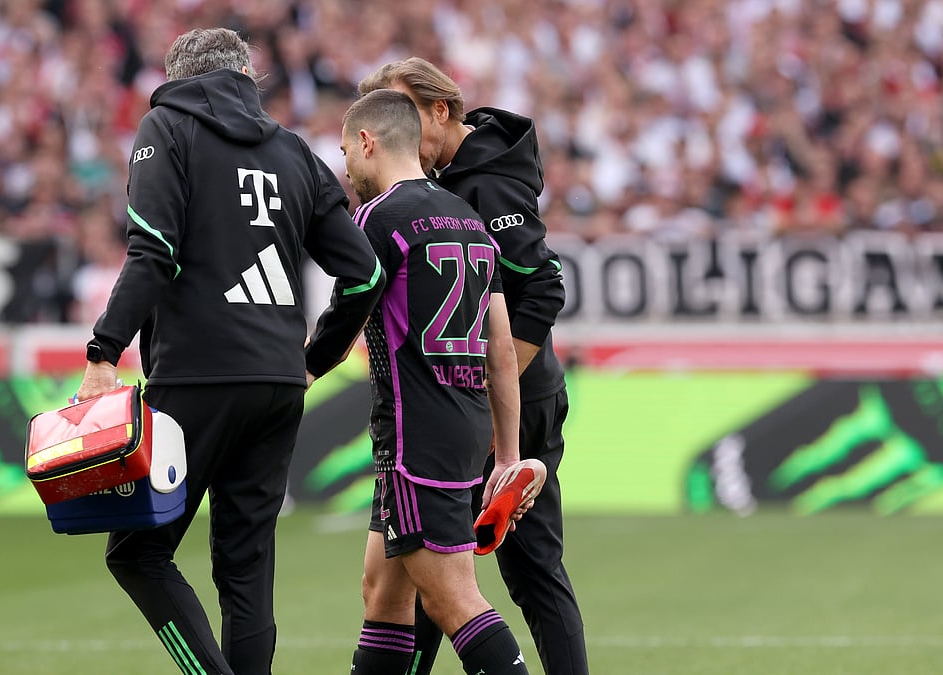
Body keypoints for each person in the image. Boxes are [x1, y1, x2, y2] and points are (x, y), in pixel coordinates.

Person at [74, 28, 384, 675]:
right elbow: (365, 275)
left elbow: (153, 251)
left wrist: (104, 350)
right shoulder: (295, 152)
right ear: (247, 75)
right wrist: (315, 358)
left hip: (197, 375)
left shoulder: (167, 128)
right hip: (278, 381)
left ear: (176, 77)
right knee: (246, 565)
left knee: (137, 552)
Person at [359, 58, 588, 674]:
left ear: (440, 109)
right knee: (428, 571)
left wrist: (491, 396)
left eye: (408, 113)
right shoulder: (443, 179)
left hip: (509, 399)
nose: (400, 131)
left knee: (525, 570)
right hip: (465, 401)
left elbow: (543, 289)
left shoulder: (488, 185)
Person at [307, 88, 530, 674]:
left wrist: (302, 369)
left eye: (345, 152)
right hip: (463, 425)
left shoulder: (374, 220)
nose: (346, 168)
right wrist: (507, 453)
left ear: (367, 142)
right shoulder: (470, 221)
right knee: (383, 594)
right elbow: (502, 350)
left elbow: (348, 310)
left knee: (453, 597)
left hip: (413, 439)